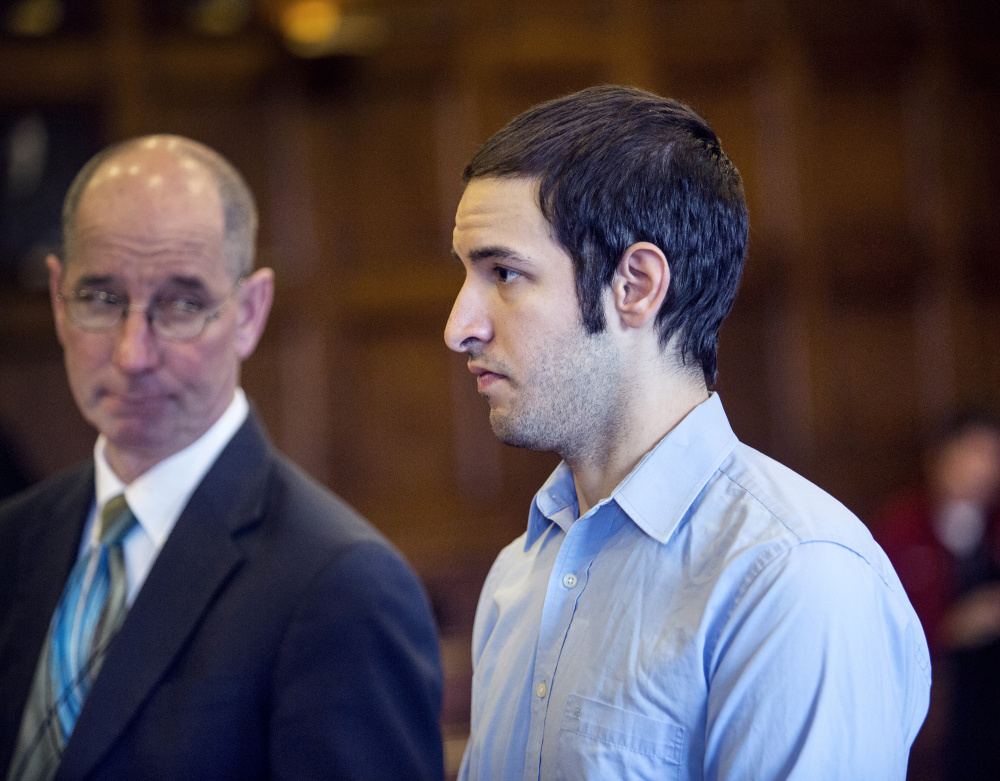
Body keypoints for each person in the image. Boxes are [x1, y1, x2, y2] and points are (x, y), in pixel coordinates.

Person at [444, 85, 930, 780]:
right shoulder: (516, 577)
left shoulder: (795, 576)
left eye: (505, 273)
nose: (459, 325)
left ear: (635, 284)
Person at [0, 135, 444, 781]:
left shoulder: (343, 584)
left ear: (250, 311)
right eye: (100, 299)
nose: (132, 353)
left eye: (180, 305)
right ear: (58, 299)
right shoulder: (14, 539)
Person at [876, 410, 1000, 781]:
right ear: (941, 457)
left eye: (993, 456)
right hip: (938, 686)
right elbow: (882, 623)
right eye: (974, 453)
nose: (983, 469)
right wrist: (952, 627)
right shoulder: (901, 526)